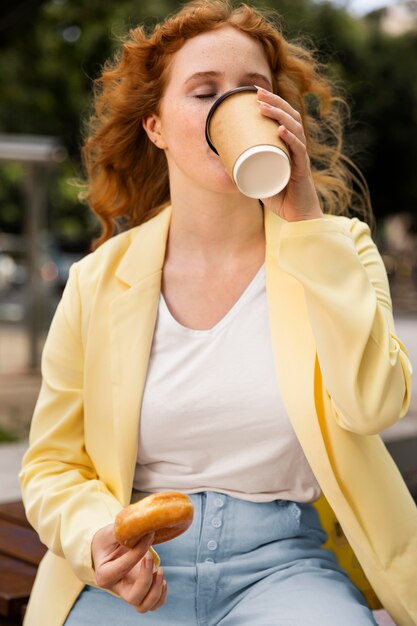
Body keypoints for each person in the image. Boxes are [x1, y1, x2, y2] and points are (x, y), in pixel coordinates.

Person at [20, 1, 416, 625]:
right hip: (137, 568)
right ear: (155, 126)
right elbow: (51, 463)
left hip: (284, 563)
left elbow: (372, 405)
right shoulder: (98, 282)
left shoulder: (339, 249)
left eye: (252, 91)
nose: (234, 106)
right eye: (204, 91)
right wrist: (98, 538)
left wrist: (307, 228)